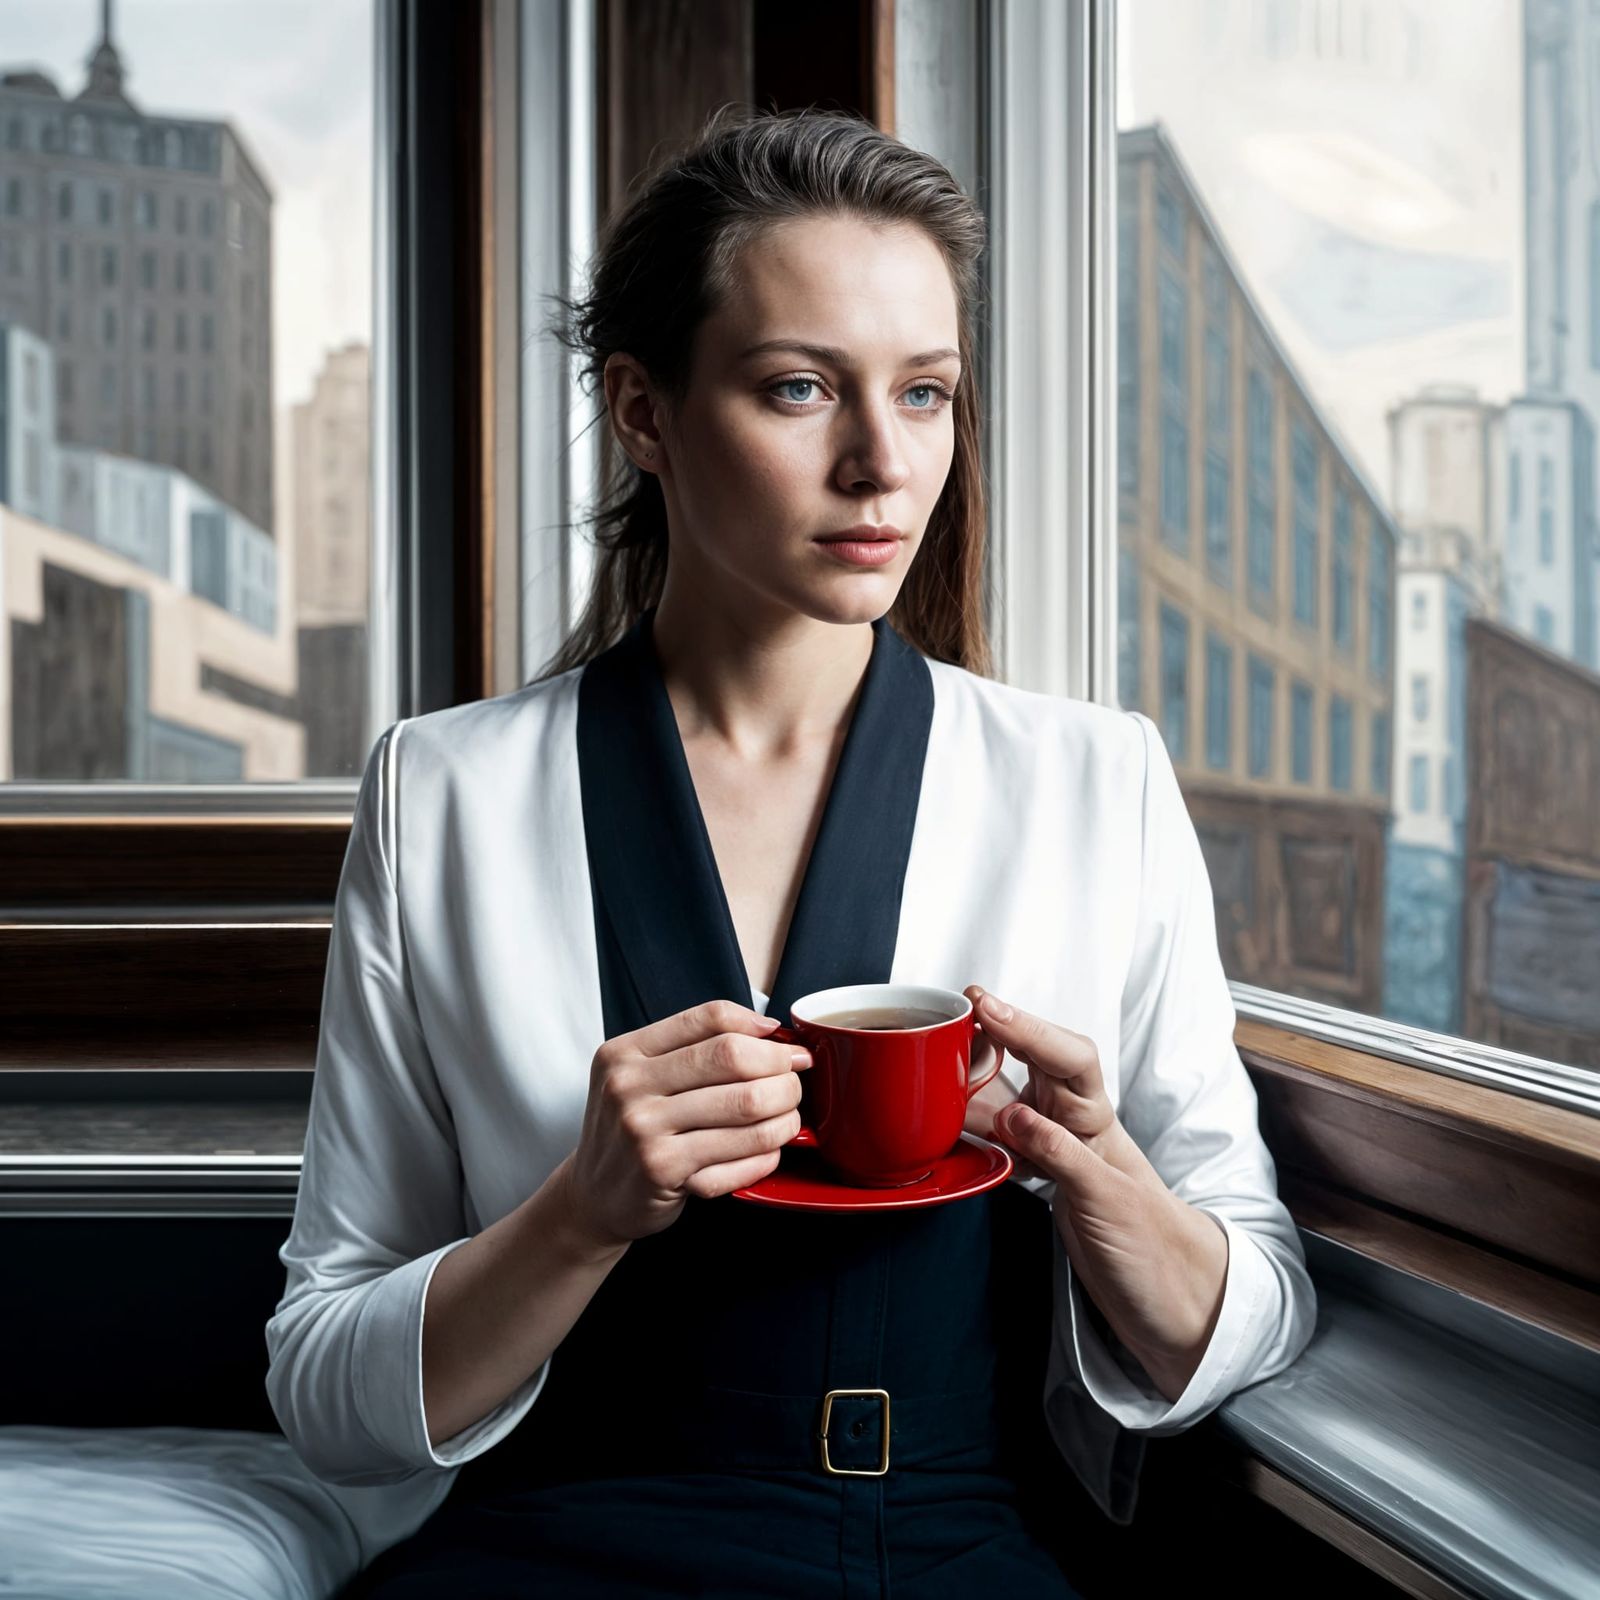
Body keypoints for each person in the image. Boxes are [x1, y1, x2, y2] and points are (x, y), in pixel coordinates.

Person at [265, 104, 1317, 1598]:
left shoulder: (1097, 784)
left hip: (953, 1553)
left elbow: (1256, 1306)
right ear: (644, 412)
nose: (882, 465)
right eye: (800, 388)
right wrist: (576, 1213)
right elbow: (321, 1377)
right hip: (544, 1554)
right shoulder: (444, 794)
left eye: (930, 394)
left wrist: (1104, 1190)